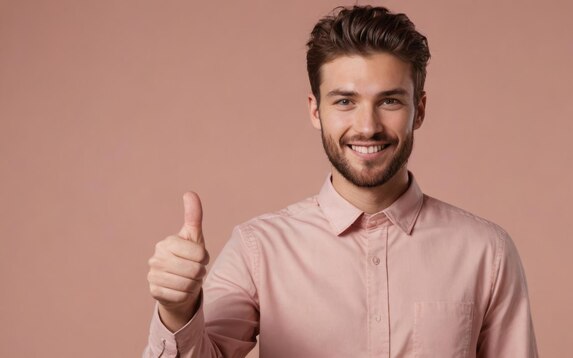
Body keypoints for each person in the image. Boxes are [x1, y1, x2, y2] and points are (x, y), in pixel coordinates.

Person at [144, 5, 538, 358]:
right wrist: (177, 310)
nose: (367, 127)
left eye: (390, 101)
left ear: (419, 110)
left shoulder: (488, 252)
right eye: (345, 101)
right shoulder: (257, 250)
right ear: (316, 110)